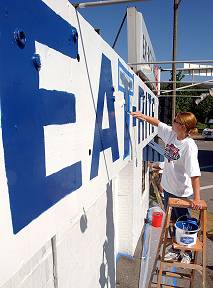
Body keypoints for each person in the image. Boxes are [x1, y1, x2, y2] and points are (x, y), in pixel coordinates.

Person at [131, 111, 202, 264]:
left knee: (184, 223)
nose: (172, 122)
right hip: (168, 189)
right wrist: (143, 116)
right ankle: (176, 251)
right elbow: (157, 123)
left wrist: (196, 198)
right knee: (171, 221)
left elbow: (195, 174)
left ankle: (186, 253)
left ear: (183, 126)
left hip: (181, 192)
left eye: (175, 121)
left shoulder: (189, 147)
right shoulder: (171, 134)